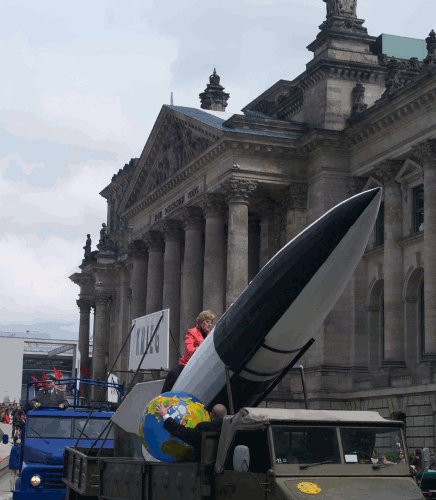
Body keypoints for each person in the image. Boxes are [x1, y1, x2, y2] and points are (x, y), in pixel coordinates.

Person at [161, 310, 215, 393]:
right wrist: (201, 349)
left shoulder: (211, 335)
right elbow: (189, 349)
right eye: (207, 322)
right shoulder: (192, 332)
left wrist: (199, 349)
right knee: (173, 374)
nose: (209, 324)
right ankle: (163, 398)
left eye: (211, 322)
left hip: (202, 365)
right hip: (188, 364)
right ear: (200, 322)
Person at [155, 402, 226, 454]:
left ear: (210, 415)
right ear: (226, 414)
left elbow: (183, 432)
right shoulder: (234, 427)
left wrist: (165, 415)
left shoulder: (204, 428)